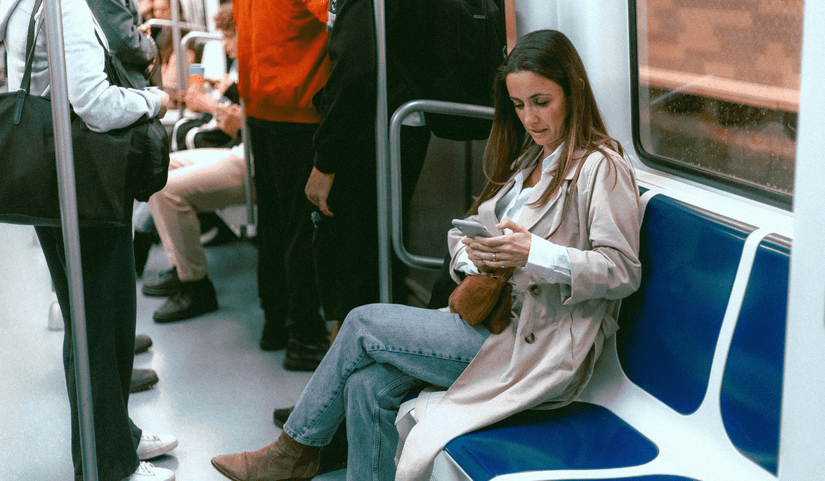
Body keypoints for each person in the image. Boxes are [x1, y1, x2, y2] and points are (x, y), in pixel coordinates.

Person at [211, 29, 642, 481]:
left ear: (572, 93)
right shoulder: (529, 162)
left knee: (360, 322)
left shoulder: (601, 166)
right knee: (367, 386)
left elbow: (622, 270)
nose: (529, 119)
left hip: (535, 343)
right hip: (493, 323)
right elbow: (466, 229)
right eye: (518, 106)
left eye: (541, 101)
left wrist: (534, 252)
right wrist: (475, 257)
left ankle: (292, 453)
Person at [0, 0, 176, 479]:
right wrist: (155, 101)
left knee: (90, 321)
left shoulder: (21, 4)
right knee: (103, 325)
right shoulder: (66, 8)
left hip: (52, 179)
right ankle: (110, 464)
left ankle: (118, 435)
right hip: (84, 185)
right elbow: (94, 105)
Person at [232, 0, 331, 369]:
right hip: (299, 106)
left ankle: (276, 322)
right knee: (301, 227)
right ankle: (305, 335)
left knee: (273, 221)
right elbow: (337, 16)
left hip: (261, 105)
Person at [140, 2, 247, 323]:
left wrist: (214, 106)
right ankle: (180, 264)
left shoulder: (247, 62)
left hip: (246, 154)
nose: (225, 44)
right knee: (162, 169)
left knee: (167, 190)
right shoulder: (235, 63)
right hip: (237, 148)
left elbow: (240, 122)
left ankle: (196, 285)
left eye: (230, 37)